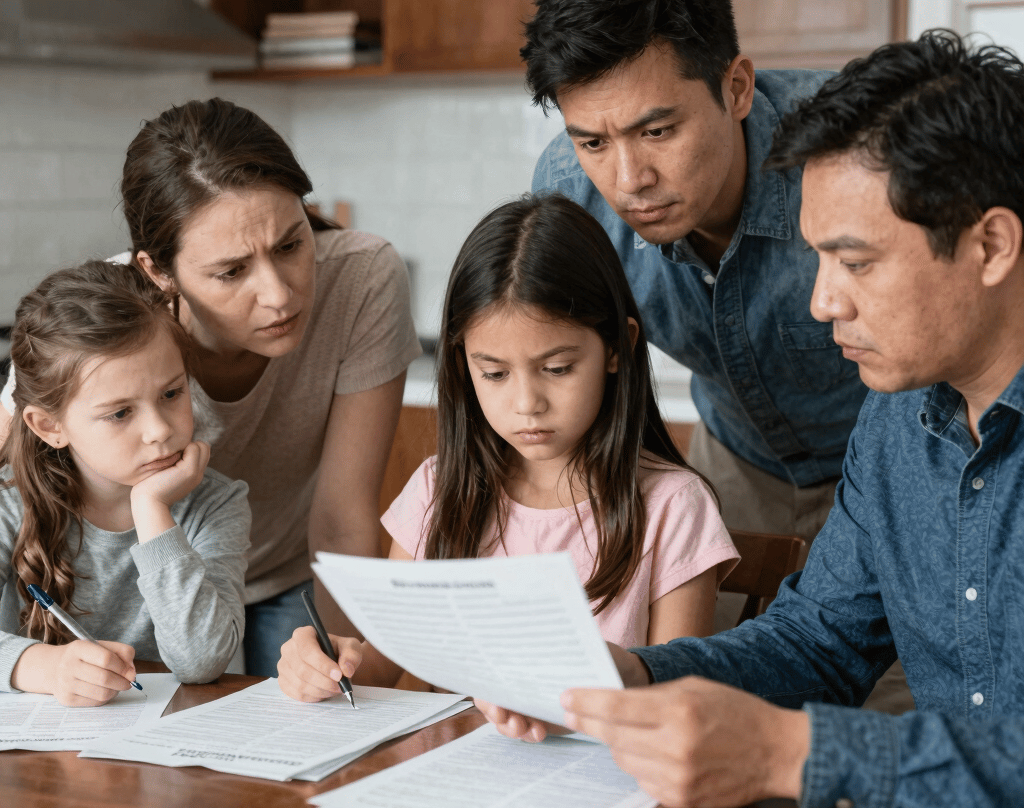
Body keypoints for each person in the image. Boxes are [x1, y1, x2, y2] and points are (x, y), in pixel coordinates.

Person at [477, 31, 1024, 807]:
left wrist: (794, 750)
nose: (821, 301)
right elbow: (820, 640)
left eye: (856, 262)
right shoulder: (896, 420)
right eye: (818, 260)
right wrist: (635, 672)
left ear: (991, 244)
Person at [1, 98, 422, 676]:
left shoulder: (363, 278)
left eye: (291, 245)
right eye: (230, 272)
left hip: (287, 576)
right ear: (155, 271)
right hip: (137, 596)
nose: (279, 294)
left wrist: (344, 670)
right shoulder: (110, 328)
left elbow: (341, 511)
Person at [276, 194, 739, 701]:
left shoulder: (674, 506)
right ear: (462, 365)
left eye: (558, 368)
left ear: (617, 348)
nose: (526, 403)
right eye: (493, 373)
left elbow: (673, 701)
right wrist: (328, 666)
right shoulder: (438, 488)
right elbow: (381, 667)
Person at [524, 0, 866, 553]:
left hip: (896, 459)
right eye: (593, 143)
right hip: (737, 461)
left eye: (657, 131)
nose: (630, 181)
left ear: (736, 88)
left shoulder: (857, 152)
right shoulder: (571, 196)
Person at [0, 261, 250, 705]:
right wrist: (49, 667)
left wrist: (152, 509)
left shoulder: (216, 504)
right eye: (119, 413)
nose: (159, 430)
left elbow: (202, 661)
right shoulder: (9, 503)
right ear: (49, 425)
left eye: (172, 394)